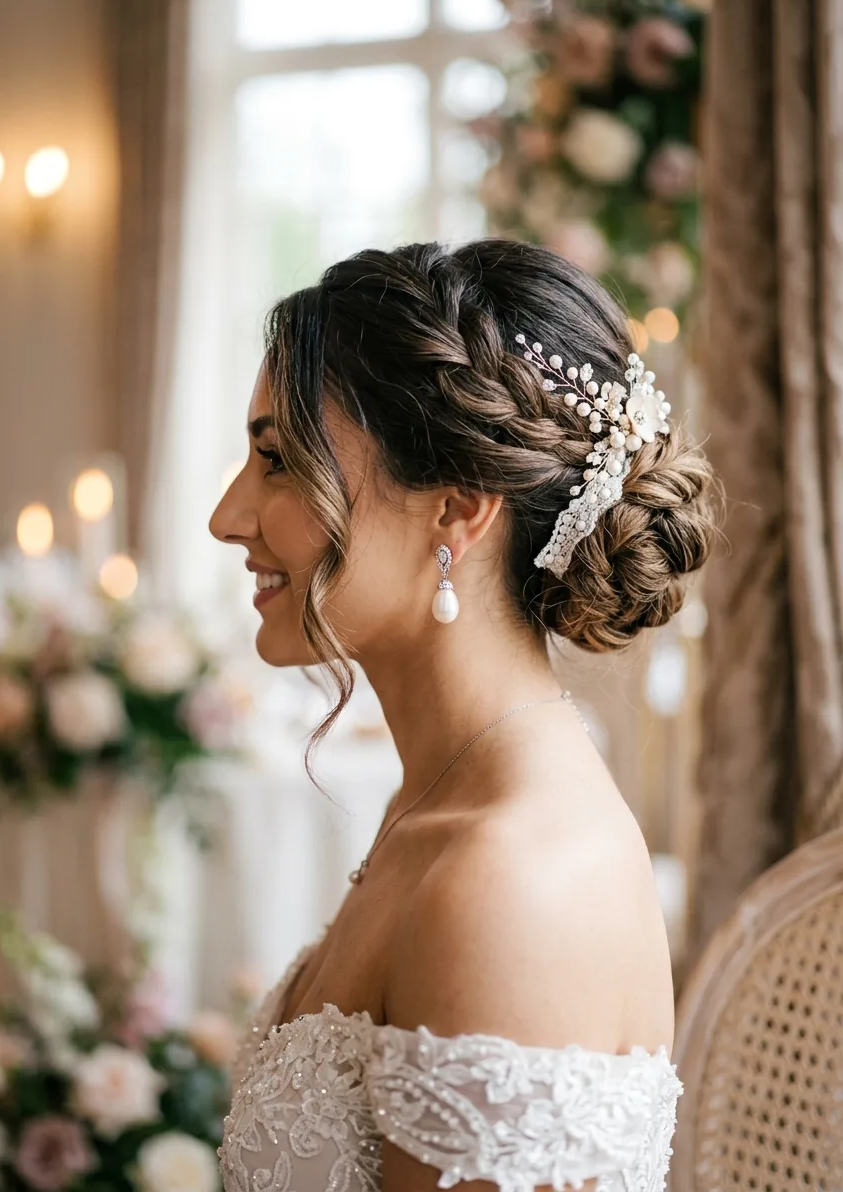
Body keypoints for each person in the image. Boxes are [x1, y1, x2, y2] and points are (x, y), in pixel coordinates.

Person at [211, 239, 713, 1192]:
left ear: (457, 508)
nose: (228, 516)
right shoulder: (436, 799)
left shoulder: (512, 882)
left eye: (279, 462)